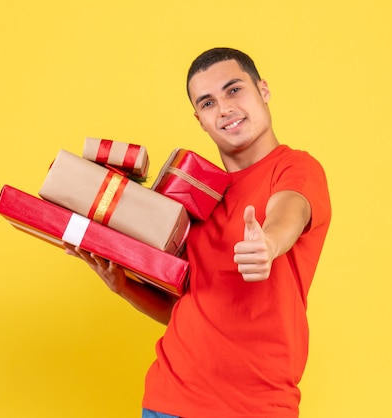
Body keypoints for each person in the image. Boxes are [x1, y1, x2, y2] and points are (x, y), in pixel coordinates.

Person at [64, 47, 332, 418]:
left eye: (234, 90)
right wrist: (124, 285)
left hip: (257, 407)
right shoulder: (196, 194)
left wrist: (268, 243)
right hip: (168, 400)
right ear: (200, 120)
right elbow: (186, 307)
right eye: (208, 103)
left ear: (263, 90)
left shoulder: (295, 168)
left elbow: (291, 209)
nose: (224, 109)